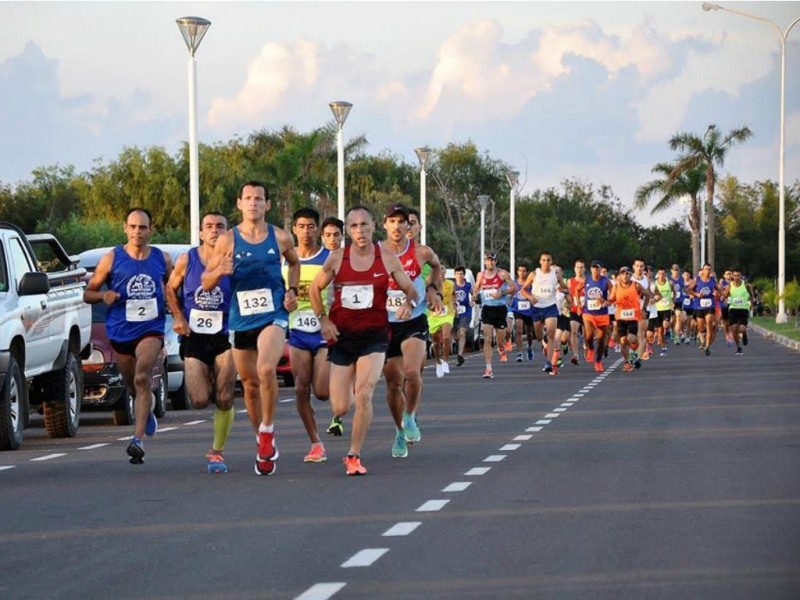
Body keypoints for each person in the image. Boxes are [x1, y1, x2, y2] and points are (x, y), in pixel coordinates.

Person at [309, 205, 418, 475]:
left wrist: (407, 303)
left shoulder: (387, 258)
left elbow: (411, 290)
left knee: (365, 393)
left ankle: (353, 455)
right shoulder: (337, 258)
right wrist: (323, 319)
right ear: (348, 230)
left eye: (364, 225)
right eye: (354, 226)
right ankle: (349, 415)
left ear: (373, 228)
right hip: (343, 337)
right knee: (340, 406)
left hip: (375, 336)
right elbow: (314, 288)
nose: (360, 231)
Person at [202, 181, 300, 476]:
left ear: (267, 205)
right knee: (249, 384)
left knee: (266, 369)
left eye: (259, 199)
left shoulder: (281, 237)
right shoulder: (227, 240)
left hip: (274, 313)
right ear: (239, 204)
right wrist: (220, 270)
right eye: (248, 198)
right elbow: (207, 281)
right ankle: (261, 440)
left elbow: (294, 264)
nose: (254, 203)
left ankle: (268, 429)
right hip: (241, 317)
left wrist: (292, 290)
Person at [83, 208, 173, 464]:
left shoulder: (161, 259)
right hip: (121, 331)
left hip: (151, 330)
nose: (137, 232)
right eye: (133, 227)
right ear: (125, 228)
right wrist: (103, 296)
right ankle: (148, 410)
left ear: (150, 230)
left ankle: (137, 440)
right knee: (133, 386)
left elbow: (174, 286)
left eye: (142, 227)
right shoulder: (112, 258)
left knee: (143, 376)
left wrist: (175, 307)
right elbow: (87, 294)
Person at [166, 212, 237, 474]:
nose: (214, 230)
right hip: (194, 336)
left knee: (225, 397)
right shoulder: (188, 259)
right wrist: (177, 316)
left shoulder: (235, 259)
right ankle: (208, 377)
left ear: (227, 232)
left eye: (220, 226)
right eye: (209, 226)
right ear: (200, 233)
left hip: (225, 335)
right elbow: (170, 289)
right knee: (198, 400)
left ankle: (216, 452)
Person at [381, 203, 443, 459]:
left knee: (412, 373)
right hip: (384, 324)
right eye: (392, 221)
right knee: (394, 383)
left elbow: (438, 267)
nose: (397, 226)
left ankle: (410, 417)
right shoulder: (376, 253)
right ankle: (399, 432)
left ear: (409, 226)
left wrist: (432, 290)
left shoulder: (421, 252)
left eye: (402, 221)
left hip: (413, 320)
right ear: (384, 224)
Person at [283, 207, 332, 463]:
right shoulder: (285, 261)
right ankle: (316, 443)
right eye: (301, 226)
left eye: (311, 226)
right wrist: (285, 301)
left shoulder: (329, 258)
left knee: (322, 392)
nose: (306, 231)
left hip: (323, 330)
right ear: (293, 229)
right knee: (302, 388)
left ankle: (343, 389)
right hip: (297, 331)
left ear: (318, 229)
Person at [521, 251, 571, 375]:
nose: (546, 263)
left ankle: (549, 363)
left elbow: (566, 288)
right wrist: (530, 297)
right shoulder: (534, 274)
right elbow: (522, 290)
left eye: (548, 260)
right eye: (543, 260)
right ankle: (542, 340)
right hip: (537, 307)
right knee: (539, 336)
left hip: (550, 307)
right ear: (540, 261)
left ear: (551, 261)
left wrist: (564, 292)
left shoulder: (556, 275)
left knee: (551, 334)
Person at [473, 252, 516, 379]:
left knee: (499, 340)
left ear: (496, 262)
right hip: (487, 309)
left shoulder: (502, 274)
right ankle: (488, 368)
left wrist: (502, 293)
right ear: (485, 262)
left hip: (500, 309)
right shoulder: (481, 275)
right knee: (487, 339)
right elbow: (476, 287)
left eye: (492, 260)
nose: (490, 263)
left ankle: (502, 347)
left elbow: (514, 288)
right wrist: (474, 296)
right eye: (488, 260)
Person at [610, 265, 651, 371]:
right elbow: (611, 299)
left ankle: (636, 343)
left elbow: (647, 295)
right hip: (620, 317)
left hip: (633, 316)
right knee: (623, 341)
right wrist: (605, 302)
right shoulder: (616, 287)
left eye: (627, 274)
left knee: (630, 338)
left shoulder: (636, 285)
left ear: (630, 275)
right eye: (622, 274)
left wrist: (644, 309)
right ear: (619, 276)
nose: (625, 276)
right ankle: (627, 362)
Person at [577, 260, 613, 372]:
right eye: (593, 268)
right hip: (588, 312)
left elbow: (612, 296)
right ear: (590, 269)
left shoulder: (606, 281)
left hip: (602, 314)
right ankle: (591, 348)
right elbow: (577, 290)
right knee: (589, 334)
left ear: (601, 269)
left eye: (597, 268)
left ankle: (598, 362)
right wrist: (578, 304)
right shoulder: (586, 280)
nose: (595, 270)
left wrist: (606, 301)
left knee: (602, 339)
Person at [687, 263, 720, 356]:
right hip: (699, 306)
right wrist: (697, 294)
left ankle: (707, 347)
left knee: (709, 324)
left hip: (710, 306)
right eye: (706, 269)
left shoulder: (713, 280)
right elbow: (689, 289)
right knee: (701, 328)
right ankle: (703, 337)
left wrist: (717, 293)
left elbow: (719, 290)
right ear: (703, 270)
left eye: (709, 269)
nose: (708, 271)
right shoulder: (697, 280)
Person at [428, 269, 456, 377]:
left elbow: (453, 295)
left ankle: (446, 361)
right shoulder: (431, 284)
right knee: (436, 342)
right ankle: (438, 361)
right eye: (439, 270)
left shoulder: (450, 283)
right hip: (434, 315)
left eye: (443, 269)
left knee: (446, 337)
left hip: (447, 314)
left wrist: (454, 305)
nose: (441, 271)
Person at [721, 268, 754, 355]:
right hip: (733, 309)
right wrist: (723, 299)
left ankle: (744, 334)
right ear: (732, 276)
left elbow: (751, 296)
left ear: (741, 276)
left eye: (738, 275)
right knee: (734, 328)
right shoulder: (730, 286)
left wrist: (752, 306)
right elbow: (724, 295)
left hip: (743, 309)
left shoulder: (746, 285)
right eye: (734, 275)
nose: (736, 277)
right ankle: (738, 347)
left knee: (742, 328)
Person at [510, 263, 535, 362]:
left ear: (527, 272)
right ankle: (519, 353)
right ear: (517, 272)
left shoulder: (531, 284)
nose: (522, 273)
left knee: (529, 332)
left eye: (524, 271)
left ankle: (529, 347)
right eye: (520, 271)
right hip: (517, 310)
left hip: (529, 310)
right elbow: (510, 294)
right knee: (519, 330)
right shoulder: (514, 283)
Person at [453, 266, 474, 366]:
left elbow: (474, 295)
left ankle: (460, 355)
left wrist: (473, 301)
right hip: (453, 312)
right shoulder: (452, 286)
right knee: (454, 334)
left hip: (465, 312)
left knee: (462, 332)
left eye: (461, 274)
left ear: (464, 275)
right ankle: (455, 347)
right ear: (454, 275)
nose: (459, 276)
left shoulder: (468, 285)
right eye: (457, 274)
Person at [567, 260, 586, 365]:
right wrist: (568, 302)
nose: (579, 269)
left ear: (585, 269)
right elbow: (568, 294)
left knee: (587, 334)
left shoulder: (588, 281)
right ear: (574, 269)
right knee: (573, 331)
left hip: (587, 311)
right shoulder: (570, 281)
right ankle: (575, 354)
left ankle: (587, 347)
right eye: (578, 267)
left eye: (581, 267)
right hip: (575, 310)